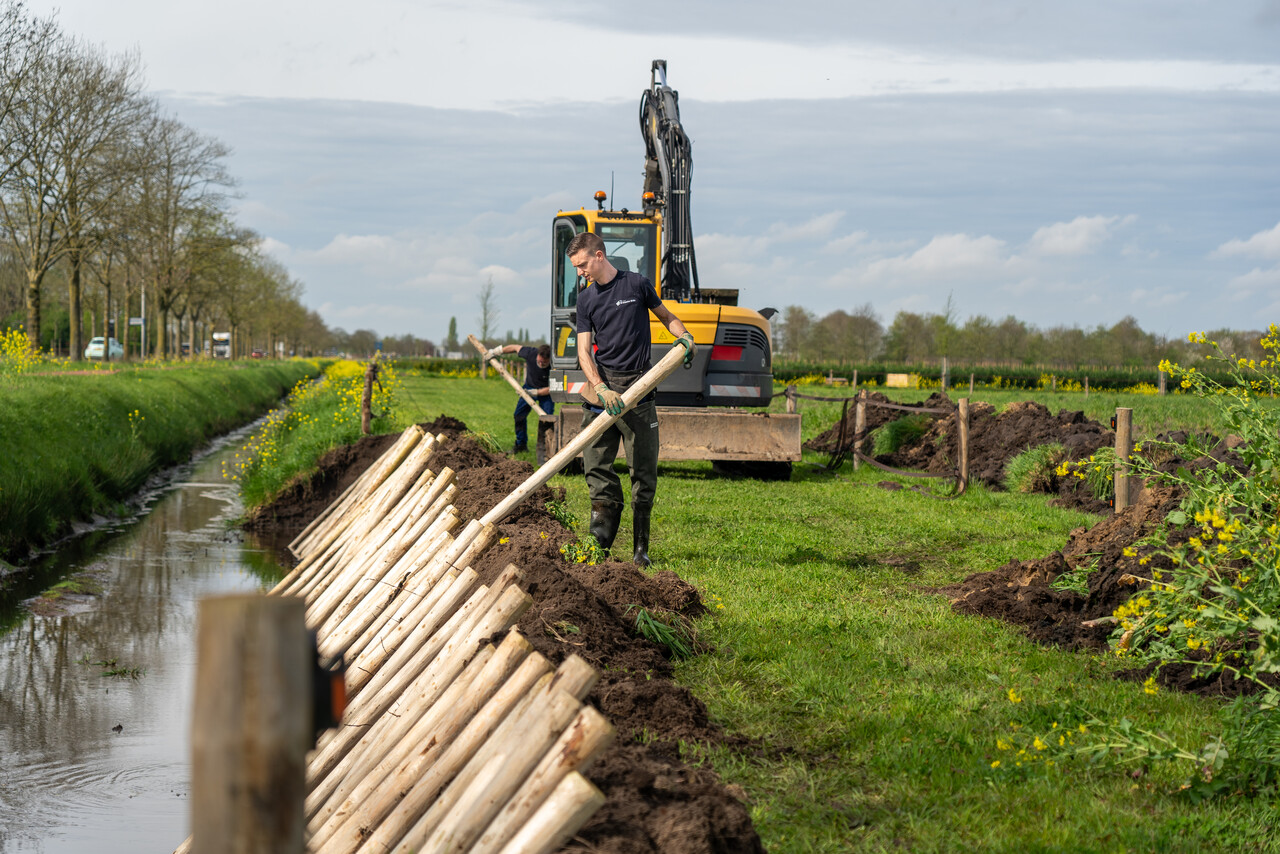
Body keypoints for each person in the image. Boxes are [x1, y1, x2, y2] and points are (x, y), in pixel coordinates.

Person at [566, 232, 695, 566]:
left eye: (582, 265)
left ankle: (641, 550)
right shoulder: (586, 299)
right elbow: (583, 351)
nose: (580, 272)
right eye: (576, 268)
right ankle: (600, 542)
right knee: (595, 466)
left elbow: (667, 318)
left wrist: (685, 339)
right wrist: (601, 388)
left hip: (639, 391)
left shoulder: (636, 285)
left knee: (644, 473)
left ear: (598, 255)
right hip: (603, 393)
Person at [485, 342, 554, 459]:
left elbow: (554, 387)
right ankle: (521, 444)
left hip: (546, 393)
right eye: (540, 360)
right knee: (519, 416)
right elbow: (515, 348)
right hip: (528, 388)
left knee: (547, 419)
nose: (541, 363)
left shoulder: (555, 364)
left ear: (549, 360)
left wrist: (536, 392)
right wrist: (495, 351)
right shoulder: (531, 353)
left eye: (544, 362)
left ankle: (547, 448)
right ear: (537, 355)